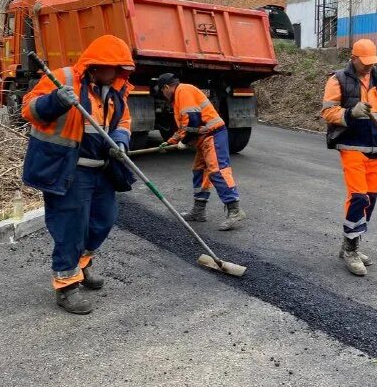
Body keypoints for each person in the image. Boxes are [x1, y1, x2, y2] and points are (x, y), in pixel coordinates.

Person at [21, 35, 136, 314]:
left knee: (103, 220)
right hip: (69, 169)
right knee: (71, 227)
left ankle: (83, 264)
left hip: (102, 170)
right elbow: (29, 110)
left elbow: (123, 120)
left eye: (120, 69)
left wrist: (120, 142)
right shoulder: (64, 78)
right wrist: (56, 101)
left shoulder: (116, 89)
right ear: (96, 65)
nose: (117, 73)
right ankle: (66, 285)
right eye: (113, 68)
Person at [321, 38, 377, 277]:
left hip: (376, 148)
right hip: (352, 146)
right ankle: (351, 251)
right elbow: (328, 112)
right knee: (358, 196)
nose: (369, 65)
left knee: (370, 199)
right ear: (354, 59)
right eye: (365, 62)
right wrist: (351, 113)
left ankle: (351, 242)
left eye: (372, 61)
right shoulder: (338, 79)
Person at [156, 73, 246, 231]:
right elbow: (184, 127)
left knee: (218, 171)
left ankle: (235, 210)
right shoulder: (179, 97)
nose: (163, 95)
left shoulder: (183, 91)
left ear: (166, 87)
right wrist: (170, 142)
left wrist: (184, 142)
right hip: (204, 138)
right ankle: (199, 210)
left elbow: (193, 120)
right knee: (199, 171)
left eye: (162, 91)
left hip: (213, 135)